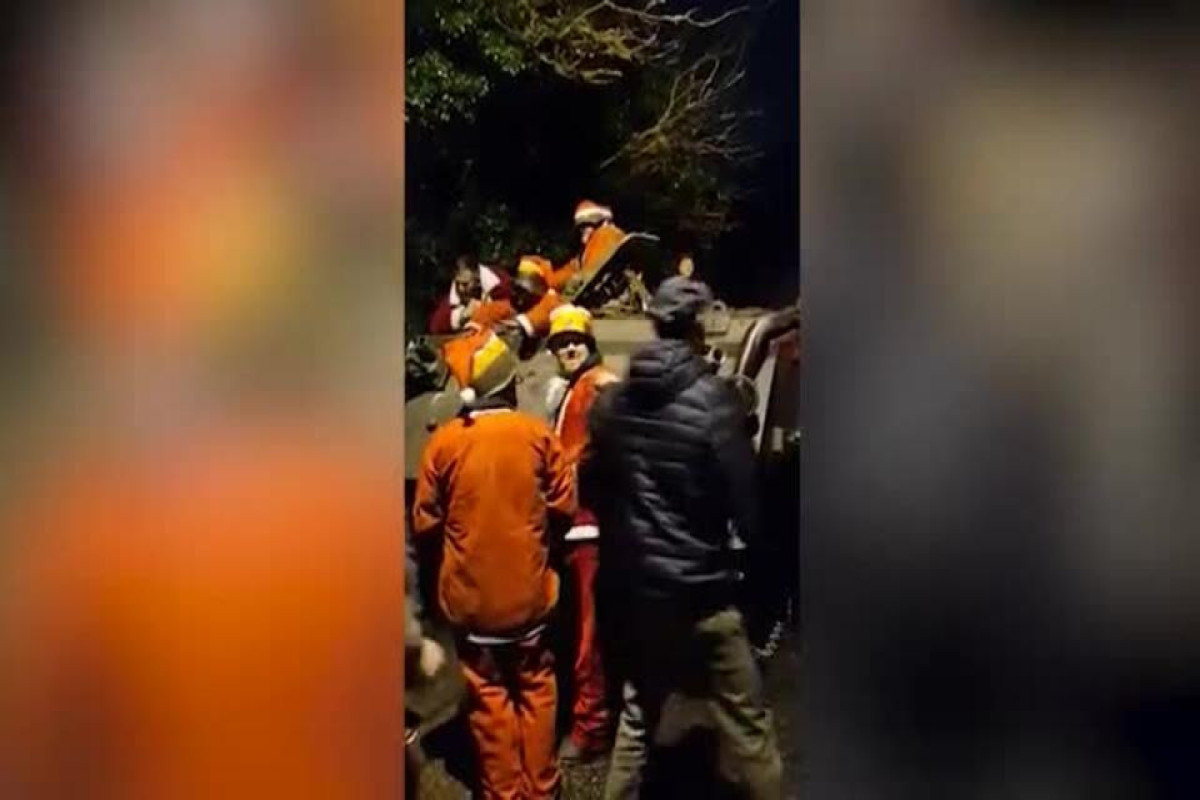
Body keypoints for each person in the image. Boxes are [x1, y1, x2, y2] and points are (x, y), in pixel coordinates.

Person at [584, 277, 783, 799]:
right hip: (703, 592)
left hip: (644, 593)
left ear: (654, 324)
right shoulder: (714, 404)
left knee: (637, 717)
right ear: (697, 328)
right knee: (749, 726)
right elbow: (748, 508)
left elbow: (594, 481)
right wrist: (761, 575)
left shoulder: (615, 404)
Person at [412, 330, 576, 800]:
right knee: (537, 689)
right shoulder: (537, 435)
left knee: (487, 699)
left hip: (471, 604)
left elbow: (424, 523)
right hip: (530, 599)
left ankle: (503, 791)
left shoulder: (443, 444)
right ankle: (541, 787)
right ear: (509, 385)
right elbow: (564, 507)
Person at [544, 305, 620, 764]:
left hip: (589, 527)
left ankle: (591, 728)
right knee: (577, 631)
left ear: (590, 343)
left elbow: (598, 453)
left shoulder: (599, 387)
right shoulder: (575, 388)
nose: (569, 347)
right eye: (560, 342)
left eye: (576, 340)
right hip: (574, 527)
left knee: (588, 636)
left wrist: (553, 475)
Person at [428, 255, 511, 334]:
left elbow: (510, 308)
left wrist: (483, 310)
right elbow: (435, 327)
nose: (460, 288)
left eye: (465, 284)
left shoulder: (500, 284)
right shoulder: (452, 297)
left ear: (477, 280)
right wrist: (462, 316)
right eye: (457, 283)